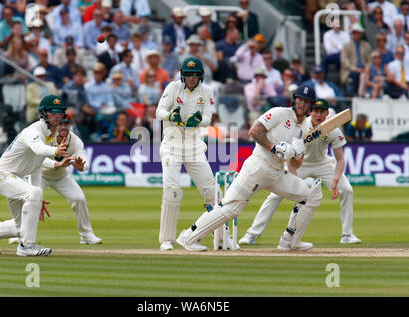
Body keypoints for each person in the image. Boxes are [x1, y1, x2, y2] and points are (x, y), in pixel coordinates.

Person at [176, 84, 324, 252]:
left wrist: (297, 153)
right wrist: (273, 147)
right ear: (294, 100)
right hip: (257, 167)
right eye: (299, 100)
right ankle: (188, 236)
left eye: (306, 102)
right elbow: (255, 131)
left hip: (277, 173)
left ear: (310, 106)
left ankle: (290, 241)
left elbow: (296, 165)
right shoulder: (280, 113)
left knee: (309, 196)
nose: (301, 104)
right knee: (231, 208)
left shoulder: (306, 128)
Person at [239, 98, 361, 246]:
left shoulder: (332, 129)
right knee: (275, 195)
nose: (318, 114)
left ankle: (347, 235)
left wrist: (335, 180)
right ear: (310, 112)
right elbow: (292, 156)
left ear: (327, 113)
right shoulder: (301, 127)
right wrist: (294, 179)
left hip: (323, 163)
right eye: (315, 110)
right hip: (299, 164)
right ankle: (252, 234)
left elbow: (340, 159)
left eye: (322, 112)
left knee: (347, 190)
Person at [0, 94, 69, 256]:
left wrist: (37, 197)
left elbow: (36, 166)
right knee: (34, 194)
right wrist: (55, 151)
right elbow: (39, 149)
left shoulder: (51, 135)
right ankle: (26, 247)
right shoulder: (33, 131)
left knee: (22, 226)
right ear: (43, 113)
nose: (57, 115)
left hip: (15, 178)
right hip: (1, 175)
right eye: (52, 111)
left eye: (60, 112)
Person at [9, 114, 102, 245]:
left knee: (79, 199)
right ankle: (20, 233)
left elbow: (85, 162)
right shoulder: (46, 138)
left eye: (66, 124)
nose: (63, 127)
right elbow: (39, 158)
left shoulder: (75, 141)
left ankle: (86, 235)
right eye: (61, 124)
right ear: (56, 124)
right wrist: (58, 164)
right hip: (39, 175)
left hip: (61, 176)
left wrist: (81, 166)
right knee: (30, 201)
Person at [155, 57, 216, 251]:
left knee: (213, 192)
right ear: (183, 75)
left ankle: (212, 235)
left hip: (194, 146)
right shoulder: (173, 88)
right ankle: (167, 240)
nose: (191, 78)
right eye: (188, 75)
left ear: (200, 76)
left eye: (195, 75)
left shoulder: (207, 91)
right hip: (172, 145)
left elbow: (208, 117)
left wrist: (198, 121)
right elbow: (159, 111)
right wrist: (171, 116)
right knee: (172, 191)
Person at [340, 23, 372, 96]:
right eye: (356, 33)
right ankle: (356, 94)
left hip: (364, 70)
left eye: (359, 33)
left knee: (369, 73)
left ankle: (368, 94)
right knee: (356, 74)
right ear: (353, 33)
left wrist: (366, 68)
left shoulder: (366, 45)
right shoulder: (346, 45)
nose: (358, 35)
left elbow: (369, 60)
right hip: (350, 70)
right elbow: (344, 60)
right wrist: (355, 68)